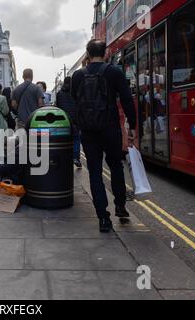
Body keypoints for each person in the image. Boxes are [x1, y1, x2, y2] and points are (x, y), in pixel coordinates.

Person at [71, 39, 136, 233]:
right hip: (110, 128)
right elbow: (126, 99)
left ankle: (103, 218)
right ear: (106, 53)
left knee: (95, 172)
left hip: (89, 130)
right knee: (116, 166)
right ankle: (120, 207)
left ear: (88, 54)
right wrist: (132, 125)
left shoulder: (78, 75)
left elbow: (76, 99)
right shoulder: (114, 72)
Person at [56, 76, 81, 168]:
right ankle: (76, 158)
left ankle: (64, 159)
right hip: (75, 120)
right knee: (76, 139)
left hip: (64, 120)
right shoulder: (76, 92)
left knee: (64, 140)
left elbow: (58, 107)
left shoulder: (59, 93)